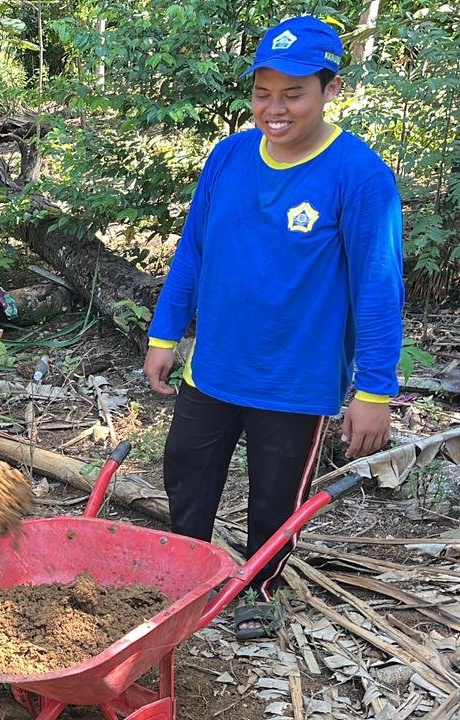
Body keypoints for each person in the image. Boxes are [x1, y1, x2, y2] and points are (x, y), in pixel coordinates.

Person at [143, 15, 404, 641]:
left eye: (293, 93)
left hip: (296, 379)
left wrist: (375, 390)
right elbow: (194, 250)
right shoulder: (230, 157)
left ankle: (259, 590)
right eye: (263, 92)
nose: (274, 108)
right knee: (186, 470)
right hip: (215, 365)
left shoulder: (358, 174)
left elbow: (378, 285)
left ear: (330, 89)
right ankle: (187, 579)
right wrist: (164, 333)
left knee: (275, 498)